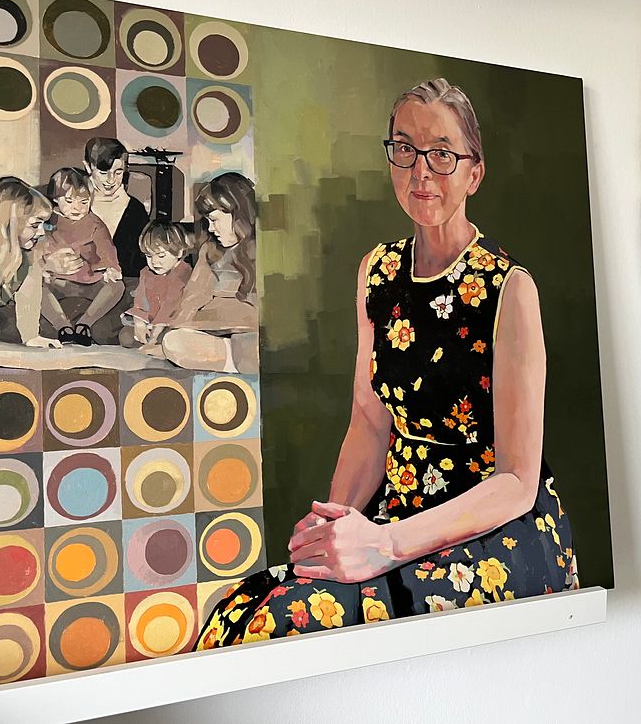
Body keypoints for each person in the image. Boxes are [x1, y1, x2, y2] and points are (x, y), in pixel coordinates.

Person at [195, 78, 579, 650]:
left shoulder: (510, 288)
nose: (421, 171)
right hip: (394, 508)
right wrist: (334, 524)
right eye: (405, 149)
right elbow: (371, 423)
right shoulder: (377, 270)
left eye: (442, 154)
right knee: (241, 608)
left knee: (287, 624)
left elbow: (517, 484)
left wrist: (385, 545)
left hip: (489, 531)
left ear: (474, 173)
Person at [161, 172, 259, 374]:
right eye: (207, 221)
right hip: (218, 338)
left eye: (214, 220)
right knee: (173, 342)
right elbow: (192, 299)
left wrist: (213, 316)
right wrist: (176, 328)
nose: (211, 229)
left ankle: (241, 359)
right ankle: (237, 361)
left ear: (238, 215)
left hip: (253, 335)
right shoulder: (210, 251)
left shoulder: (265, 247)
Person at [0, 176, 61, 348]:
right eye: (35, 225)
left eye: (43, 225)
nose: (41, 232)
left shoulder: (31, 253)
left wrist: (31, 336)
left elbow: (29, 294)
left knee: (24, 331)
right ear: (8, 223)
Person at [40, 167, 125, 346]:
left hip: (90, 282)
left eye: (84, 202)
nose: (77, 208)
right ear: (55, 199)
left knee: (117, 287)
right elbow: (38, 248)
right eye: (69, 201)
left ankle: (84, 324)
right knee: (35, 287)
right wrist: (44, 267)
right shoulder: (47, 220)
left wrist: (111, 268)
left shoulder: (95, 224)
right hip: (58, 282)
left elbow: (107, 249)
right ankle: (63, 326)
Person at [118, 220, 193, 350]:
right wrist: (139, 323)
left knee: (167, 338)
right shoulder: (146, 273)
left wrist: (155, 334)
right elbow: (140, 301)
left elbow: (170, 305)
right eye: (149, 256)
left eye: (161, 256)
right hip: (150, 321)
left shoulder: (183, 272)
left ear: (179, 252)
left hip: (172, 322)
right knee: (126, 337)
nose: (154, 262)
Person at [83, 137, 149, 278]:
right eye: (103, 172)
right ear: (88, 167)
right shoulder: (74, 206)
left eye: (118, 172)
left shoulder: (135, 210)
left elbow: (142, 263)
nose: (110, 180)